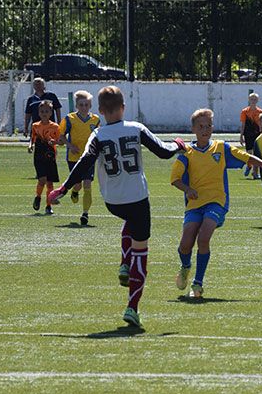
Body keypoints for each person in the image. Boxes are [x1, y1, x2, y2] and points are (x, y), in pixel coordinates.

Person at [49, 85, 186, 328]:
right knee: (141, 251)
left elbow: (84, 163)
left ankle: (125, 263)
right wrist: (177, 144)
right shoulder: (136, 128)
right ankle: (132, 307)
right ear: (123, 107)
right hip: (138, 199)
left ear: (100, 111)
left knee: (128, 224)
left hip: (113, 201)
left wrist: (63, 188)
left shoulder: (98, 135)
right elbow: (164, 152)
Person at [171, 109, 262, 299]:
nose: (205, 130)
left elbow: (245, 157)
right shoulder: (187, 153)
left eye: (208, 126)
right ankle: (186, 266)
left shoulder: (221, 147)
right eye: (201, 126)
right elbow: (175, 179)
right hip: (194, 205)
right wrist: (187, 189)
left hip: (216, 203)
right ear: (193, 129)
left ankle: (198, 284)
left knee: (203, 238)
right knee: (185, 245)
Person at [58, 90, 100, 225]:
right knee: (77, 185)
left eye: (86, 105)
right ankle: (75, 191)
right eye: (81, 105)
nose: (84, 107)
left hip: (89, 157)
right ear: (76, 106)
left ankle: (85, 214)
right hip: (74, 157)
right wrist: (70, 146)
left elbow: (99, 137)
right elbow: (61, 136)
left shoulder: (96, 120)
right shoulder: (69, 119)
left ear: (90, 106)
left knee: (88, 184)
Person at [28, 100, 60, 215]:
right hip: (39, 156)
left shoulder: (55, 127)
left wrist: (54, 142)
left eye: (47, 111)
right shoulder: (35, 125)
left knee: (50, 183)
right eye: (42, 111)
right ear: (39, 113)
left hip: (50, 156)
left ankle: (48, 205)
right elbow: (32, 138)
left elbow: (60, 141)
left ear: (51, 113)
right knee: (42, 180)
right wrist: (30, 146)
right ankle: (38, 196)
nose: (44, 113)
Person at [239, 92, 262, 179]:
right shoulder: (245, 112)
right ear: (249, 100)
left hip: (257, 134)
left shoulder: (260, 112)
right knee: (249, 154)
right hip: (248, 134)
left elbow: (261, 124)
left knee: (256, 154)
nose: (253, 101)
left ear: (257, 100)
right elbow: (243, 124)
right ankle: (249, 166)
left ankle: (255, 173)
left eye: (255, 99)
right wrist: (241, 136)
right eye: (252, 99)